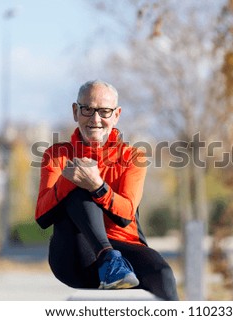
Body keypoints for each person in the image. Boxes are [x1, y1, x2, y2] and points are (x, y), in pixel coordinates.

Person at [34, 80, 179, 301]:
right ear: (75, 111)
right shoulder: (57, 155)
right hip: (76, 253)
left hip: (126, 249)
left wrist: (98, 187)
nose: (95, 119)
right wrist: (68, 181)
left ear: (116, 115)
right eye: (87, 110)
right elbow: (42, 217)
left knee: (163, 275)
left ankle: (113, 262)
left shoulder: (133, 157)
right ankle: (107, 258)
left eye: (104, 111)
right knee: (78, 183)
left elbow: (125, 216)